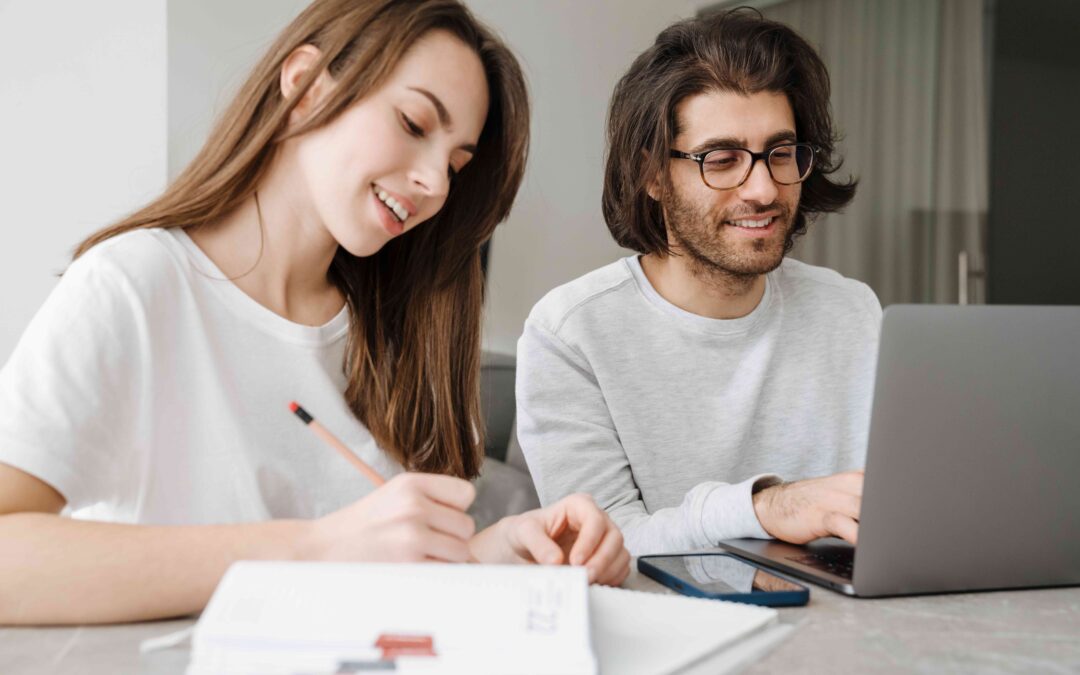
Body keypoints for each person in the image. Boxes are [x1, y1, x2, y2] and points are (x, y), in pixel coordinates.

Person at [0, 0, 628, 626]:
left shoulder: (397, 331)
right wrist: (310, 549)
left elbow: (376, 581)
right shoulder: (135, 285)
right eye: (413, 123)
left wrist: (497, 553)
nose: (436, 183)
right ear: (302, 86)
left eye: (456, 165)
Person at [516, 9, 879, 556]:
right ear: (653, 175)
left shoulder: (850, 311)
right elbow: (606, 545)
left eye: (781, 154)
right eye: (722, 159)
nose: (761, 188)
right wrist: (765, 508)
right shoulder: (571, 332)